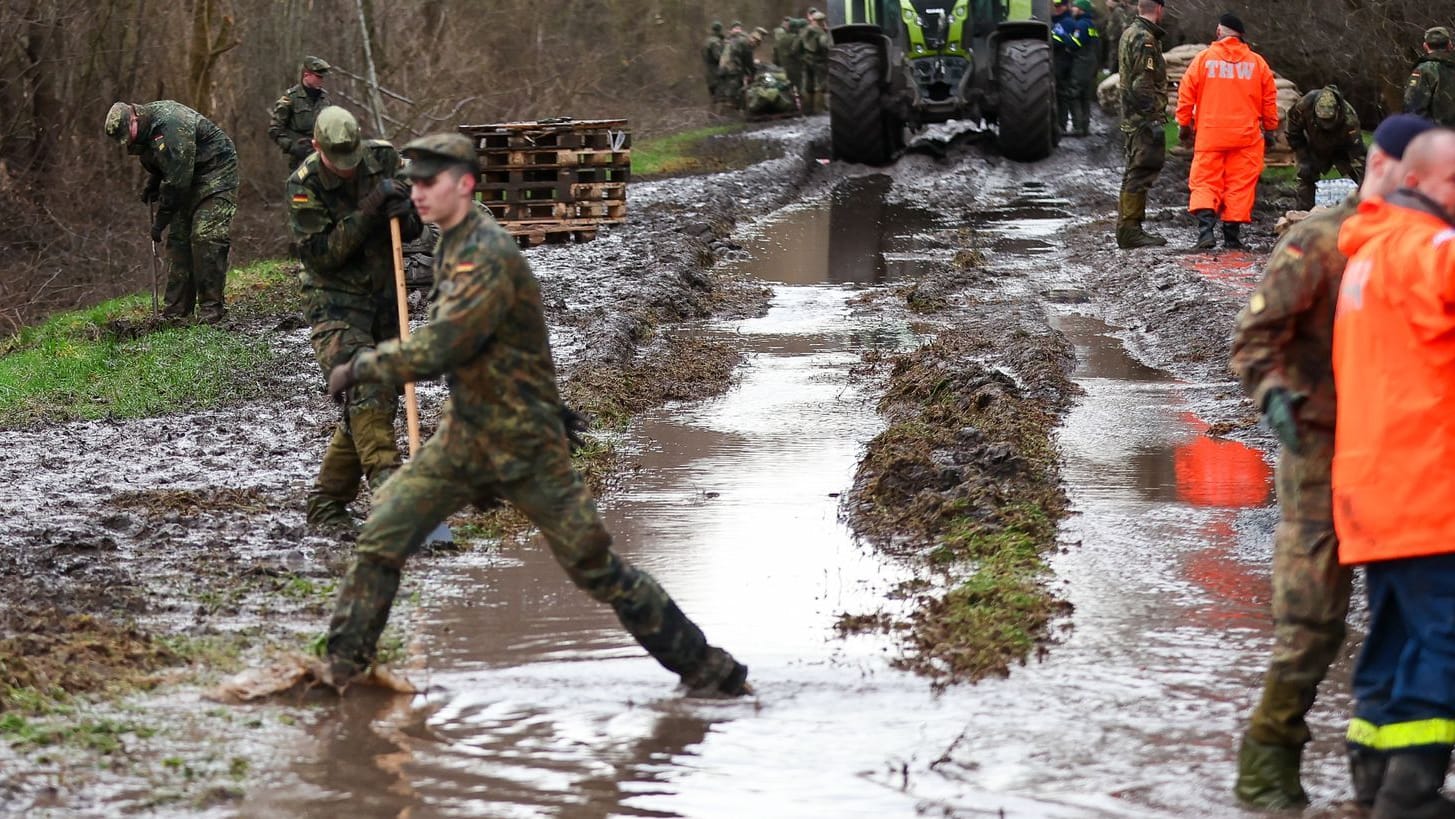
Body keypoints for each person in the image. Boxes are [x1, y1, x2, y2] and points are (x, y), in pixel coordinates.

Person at [318, 133, 751, 698]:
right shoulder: (452, 241)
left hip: (526, 442)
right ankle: (339, 672)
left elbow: (445, 345)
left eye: (428, 183)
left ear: (465, 184)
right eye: (413, 182)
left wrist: (362, 366)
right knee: (382, 536)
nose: (417, 192)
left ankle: (707, 669)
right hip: (466, 435)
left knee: (593, 566)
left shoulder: (486, 253)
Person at [1228, 113, 1436, 811]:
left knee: (1405, 615)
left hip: (1406, 460)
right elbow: (1255, 338)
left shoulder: (1427, 240)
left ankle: (1377, 781)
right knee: (1312, 617)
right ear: (1382, 163)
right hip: (1320, 448)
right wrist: (1275, 395)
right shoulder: (1319, 241)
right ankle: (1267, 764)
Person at [1331, 126, 1455, 818]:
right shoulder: (1432, 249)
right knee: (1444, 636)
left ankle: (1371, 777)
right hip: (1428, 485)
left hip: (1369, 488)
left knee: (1393, 632)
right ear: (1424, 181)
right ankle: (1410, 792)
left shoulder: (1368, 253)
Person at [287, 107, 421, 532]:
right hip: (334, 301)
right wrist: (369, 209)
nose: (346, 169)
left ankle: (327, 504)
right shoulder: (303, 186)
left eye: (350, 159)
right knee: (367, 383)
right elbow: (325, 255)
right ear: (316, 147)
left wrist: (406, 211)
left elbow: (414, 228)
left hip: (384, 295)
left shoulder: (383, 159)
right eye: (335, 161)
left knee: (375, 402)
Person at [104, 100, 237, 324]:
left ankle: (211, 309)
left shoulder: (170, 123)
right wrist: (153, 183)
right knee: (178, 241)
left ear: (134, 117)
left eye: (129, 133)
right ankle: (177, 312)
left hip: (216, 173)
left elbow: (177, 179)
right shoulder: (145, 133)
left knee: (206, 236)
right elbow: (165, 162)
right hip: (186, 177)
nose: (130, 140)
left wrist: (161, 220)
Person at [1175, 13, 1278, 250]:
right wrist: (1270, 129)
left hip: (1210, 134)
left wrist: (1183, 125)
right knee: (1239, 184)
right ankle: (1231, 237)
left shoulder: (1203, 60)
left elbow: (1186, 94)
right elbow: (1269, 100)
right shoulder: (1257, 63)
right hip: (1246, 136)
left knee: (1204, 181)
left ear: (1220, 31)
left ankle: (1205, 232)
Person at [1115, 0, 1169, 249]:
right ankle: (1130, 230)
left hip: (1131, 116)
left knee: (1134, 170)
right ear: (1159, 9)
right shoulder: (1145, 38)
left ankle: (1128, 227)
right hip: (1142, 119)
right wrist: (1151, 117)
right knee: (1141, 170)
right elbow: (1141, 83)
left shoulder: (1130, 32)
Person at [1285, 85, 1366, 211]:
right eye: (1323, 122)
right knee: (1305, 174)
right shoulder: (1303, 106)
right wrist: (1303, 157)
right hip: (1313, 144)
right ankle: (1303, 212)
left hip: (1342, 147)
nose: (1326, 126)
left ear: (1338, 111)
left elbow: (1357, 150)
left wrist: (1363, 176)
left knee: (1363, 174)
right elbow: (1293, 133)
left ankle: (1368, 207)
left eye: (1329, 122)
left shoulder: (1350, 120)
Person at [269, 56, 333, 171]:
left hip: (323, 159)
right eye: (318, 77)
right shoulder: (290, 98)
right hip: (300, 161)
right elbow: (275, 129)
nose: (322, 80)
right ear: (306, 75)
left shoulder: (325, 99)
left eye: (323, 77)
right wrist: (292, 146)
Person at [1404, 27, 1455, 126]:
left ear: (1425, 46)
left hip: (1436, 136)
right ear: (1450, 45)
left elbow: (1413, 106)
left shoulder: (1425, 70)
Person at [1067, 0, 1102, 137]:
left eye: (1075, 7)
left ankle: (1077, 127)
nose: (1073, 9)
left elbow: (1076, 42)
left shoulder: (1080, 25)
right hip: (1091, 62)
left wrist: (1064, 37)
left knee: (1074, 93)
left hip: (1082, 61)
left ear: (1081, 10)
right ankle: (1085, 126)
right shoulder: (1091, 24)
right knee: (1085, 95)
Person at [798, 11, 832, 115]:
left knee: (807, 85)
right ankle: (818, 110)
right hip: (818, 61)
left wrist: (800, 56)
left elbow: (797, 45)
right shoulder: (820, 32)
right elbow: (825, 46)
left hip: (806, 59)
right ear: (821, 21)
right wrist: (826, 33)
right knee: (820, 86)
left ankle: (806, 110)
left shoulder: (804, 30)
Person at [717, 21, 753, 112]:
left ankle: (727, 111)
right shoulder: (740, 40)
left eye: (739, 28)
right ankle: (733, 112)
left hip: (724, 69)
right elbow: (747, 57)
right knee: (734, 91)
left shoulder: (726, 40)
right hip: (733, 69)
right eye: (736, 28)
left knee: (728, 91)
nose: (738, 30)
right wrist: (750, 70)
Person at [1052, 1, 1076, 135]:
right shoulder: (1056, 20)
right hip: (1057, 60)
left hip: (1062, 61)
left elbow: (1059, 40)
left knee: (1061, 93)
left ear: (1066, 6)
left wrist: (1050, 36)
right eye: (1055, 5)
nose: (1057, 8)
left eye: (1059, 5)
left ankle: (1062, 124)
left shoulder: (1067, 22)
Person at [702, 22, 725, 102]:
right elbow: (718, 57)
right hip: (716, 74)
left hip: (708, 73)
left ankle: (711, 113)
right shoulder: (716, 42)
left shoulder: (706, 41)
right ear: (720, 29)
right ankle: (716, 114)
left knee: (712, 98)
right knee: (719, 99)